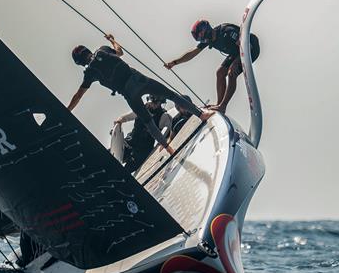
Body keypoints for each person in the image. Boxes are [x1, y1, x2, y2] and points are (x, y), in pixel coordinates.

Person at [67, 34, 212, 156]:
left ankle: (168, 148)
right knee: (172, 95)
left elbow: (78, 95)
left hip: (129, 94)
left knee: (148, 121)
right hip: (139, 80)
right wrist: (111, 40)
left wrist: (68, 110)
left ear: (80, 63)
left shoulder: (90, 73)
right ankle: (201, 115)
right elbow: (120, 51)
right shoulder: (102, 50)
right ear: (87, 51)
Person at [164, 20, 260, 113]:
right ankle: (219, 104)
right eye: (201, 40)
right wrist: (174, 62)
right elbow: (192, 53)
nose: (204, 41)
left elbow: (246, 44)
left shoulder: (226, 31)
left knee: (232, 72)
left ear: (207, 30)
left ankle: (223, 106)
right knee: (220, 72)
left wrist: (237, 61)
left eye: (203, 38)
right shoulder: (208, 40)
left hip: (250, 47)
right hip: (235, 52)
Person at [114, 95, 172, 173]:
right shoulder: (142, 109)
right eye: (152, 102)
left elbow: (168, 130)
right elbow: (125, 117)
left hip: (142, 152)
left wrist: (165, 142)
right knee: (109, 156)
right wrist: (118, 121)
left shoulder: (164, 116)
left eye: (157, 103)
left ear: (160, 103)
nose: (153, 105)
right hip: (129, 142)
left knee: (125, 171)